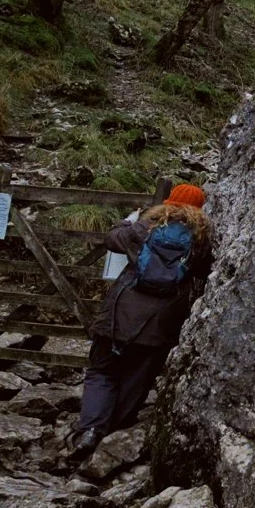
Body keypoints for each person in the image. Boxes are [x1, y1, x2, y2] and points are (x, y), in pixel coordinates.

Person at [70, 182, 212, 455]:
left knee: (103, 370)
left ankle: (90, 430)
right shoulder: (199, 239)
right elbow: (205, 270)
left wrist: (129, 219)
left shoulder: (144, 228)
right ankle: (114, 435)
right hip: (161, 321)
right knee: (139, 377)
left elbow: (112, 239)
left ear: (169, 202)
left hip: (121, 313)